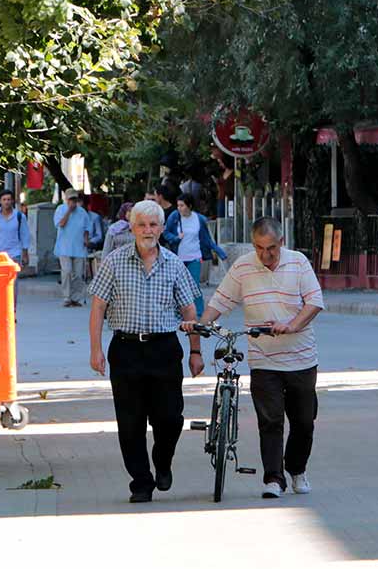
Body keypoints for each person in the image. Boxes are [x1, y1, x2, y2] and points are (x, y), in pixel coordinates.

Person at [189, 217, 324, 499]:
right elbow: (221, 300)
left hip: (301, 358)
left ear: (282, 243)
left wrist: (293, 325)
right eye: (260, 248)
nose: (266, 255)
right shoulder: (244, 266)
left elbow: (313, 302)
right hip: (263, 359)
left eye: (272, 248)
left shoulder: (298, 263)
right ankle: (273, 478)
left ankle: (296, 469)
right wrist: (203, 324)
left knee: (303, 421)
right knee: (270, 420)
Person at [88, 200, 203, 502]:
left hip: (164, 349)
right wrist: (95, 350)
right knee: (130, 422)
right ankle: (141, 481)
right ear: (131, 227)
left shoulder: (174, 264)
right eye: (142, 225)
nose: (148, 230)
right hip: (125, 350)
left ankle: (162, 461)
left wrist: (195, 351)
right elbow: (98, 307)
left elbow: (189, 309)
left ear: (162, 229)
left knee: (170, 417)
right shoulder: (114, 262)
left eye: (153, 225)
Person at [163, 192, 228, 317]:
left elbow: (206, 239)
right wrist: (176, 238)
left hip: (194, 256)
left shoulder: (200, 219)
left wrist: (219, 251)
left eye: (182, 205)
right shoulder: (174, 216)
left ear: (189, 206)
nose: (179, 208)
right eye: (178, 205)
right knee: (176, 286)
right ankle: (176, 313)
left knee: (194, 285)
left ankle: (199, 313)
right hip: (178, 258)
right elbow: (166, 233)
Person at [0, 189, 29, 306]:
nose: (7, 202)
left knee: (12, 284)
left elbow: (25, 235)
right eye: (4, 200)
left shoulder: (19, 217)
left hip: (14, 254)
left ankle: (12, 311)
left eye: (9, 199)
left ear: (12, 201)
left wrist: (25, 252)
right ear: (0, 201)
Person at [53, 188, 90, 307]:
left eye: (75, 199)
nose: (73, 202)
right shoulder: (60, 209)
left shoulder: (82, 212)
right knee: (67, 271)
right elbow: (61, 224)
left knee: (78, 274)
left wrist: (86, 239)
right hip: (64, 247)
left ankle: (75, 297)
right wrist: (68, 211)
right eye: (71, 199)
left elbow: (86, 228)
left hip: (79, 247)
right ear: (66, 199)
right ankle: (67, 297)